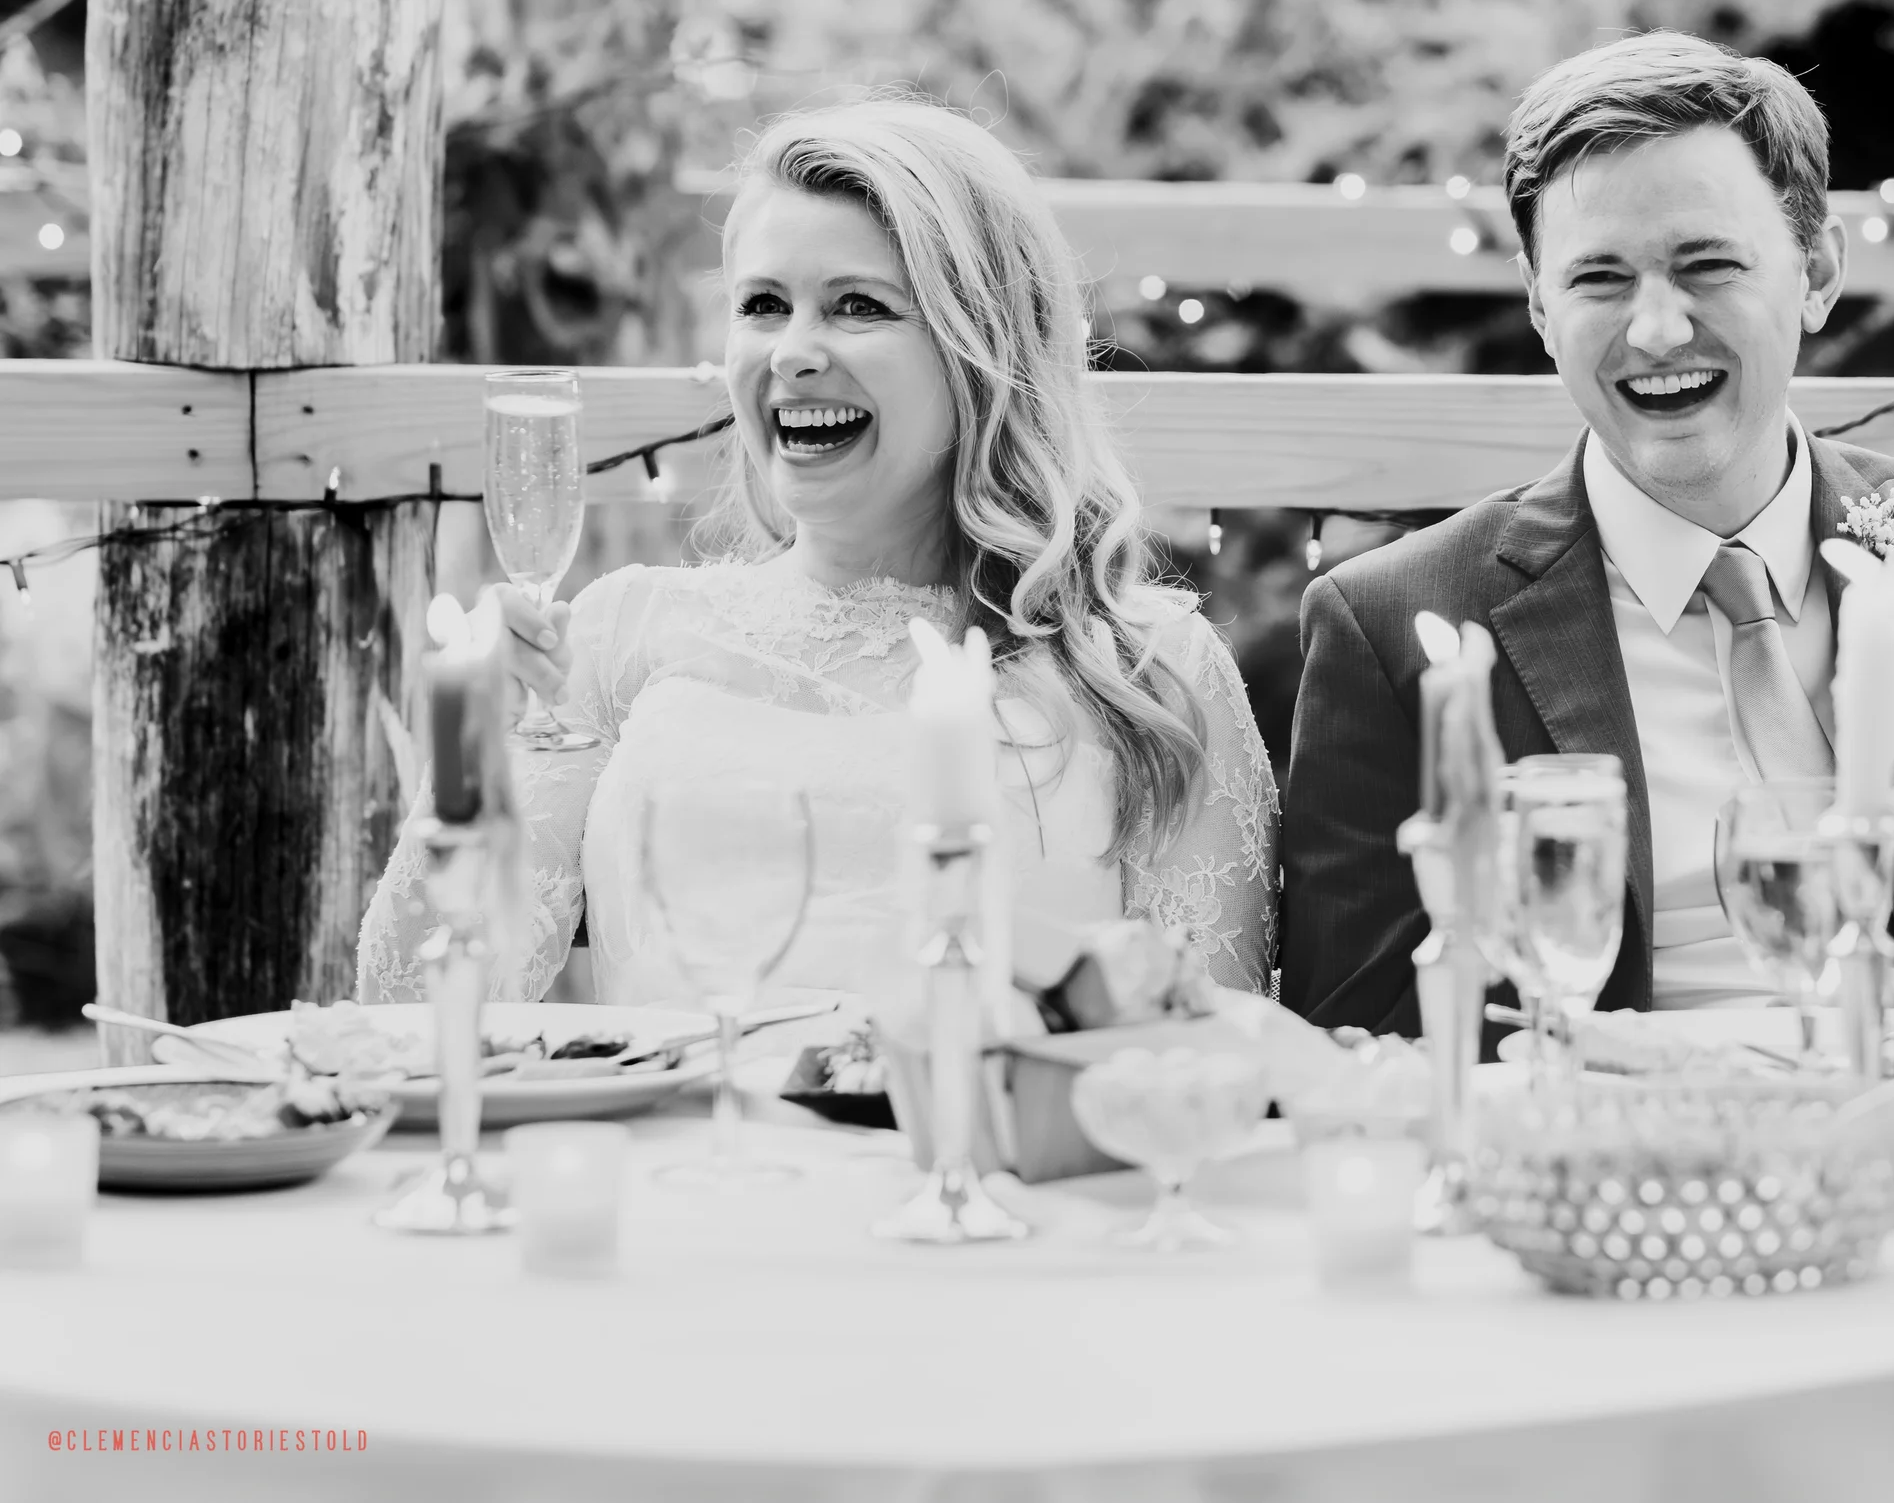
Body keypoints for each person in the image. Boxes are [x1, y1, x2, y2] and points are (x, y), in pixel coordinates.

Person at [1280, 31, 1894, 1036]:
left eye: (1705, 266)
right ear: (1538, 307)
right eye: (1598, 281)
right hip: (1593, 1160)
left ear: (1817, 270)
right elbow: (1348, 1024)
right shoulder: (1392, 622)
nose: (1656, 330)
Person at [358, 99, 1276, 1008]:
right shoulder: (612, 641)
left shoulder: (1152, 677)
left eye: (858, 307)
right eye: (763, 305)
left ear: (982, 349)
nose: (792, 352)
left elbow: (1210, 1074)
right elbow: (415, 1021)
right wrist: (478, 751)